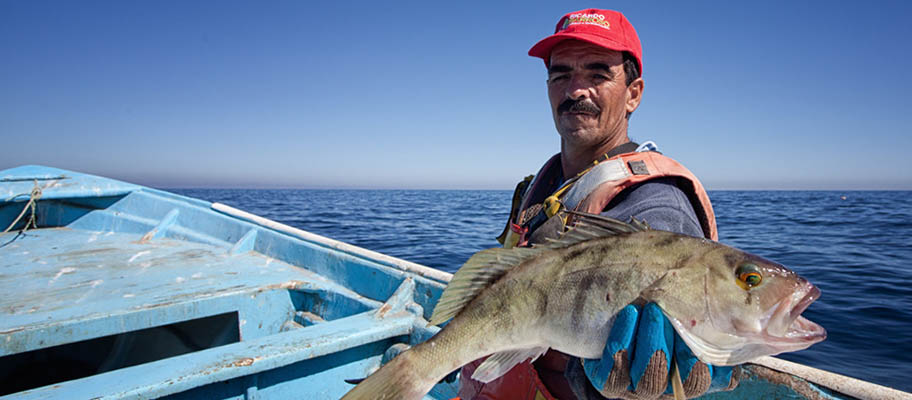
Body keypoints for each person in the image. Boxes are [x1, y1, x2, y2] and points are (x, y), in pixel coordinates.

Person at [458, 9, 739, 400]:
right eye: (561, 75)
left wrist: (620, 389)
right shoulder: (540, 186)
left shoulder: (658, 208)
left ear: (633, 94)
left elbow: (671, 350)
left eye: (597, 74)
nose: (575, 91)